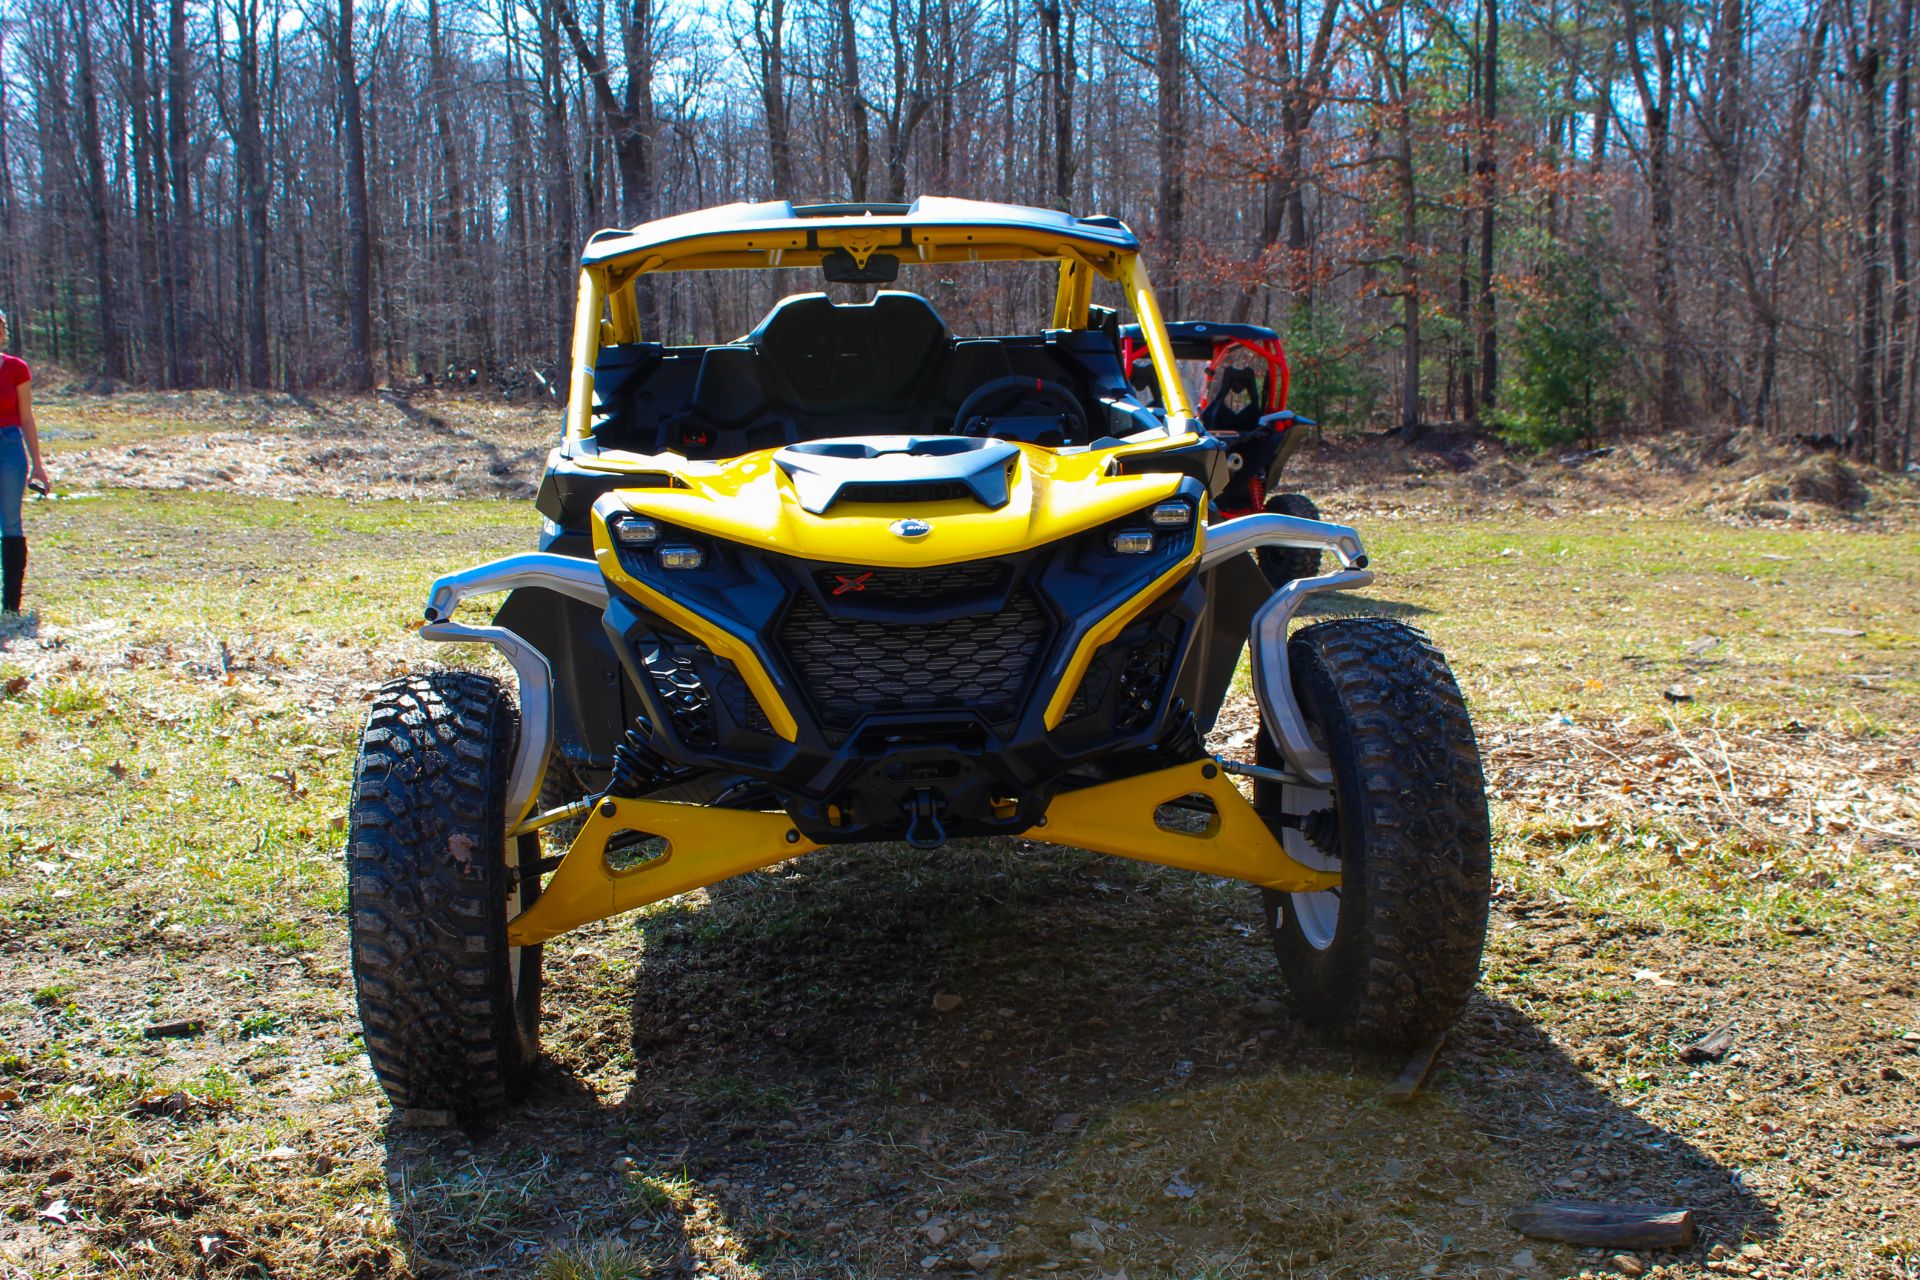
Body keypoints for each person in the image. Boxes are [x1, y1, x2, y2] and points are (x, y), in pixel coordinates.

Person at [0, 309, 49, 614]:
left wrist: (38, 464)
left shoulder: (16, 369)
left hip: (8, 446)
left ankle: (10, 606)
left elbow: (27, 418)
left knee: (10, 523)